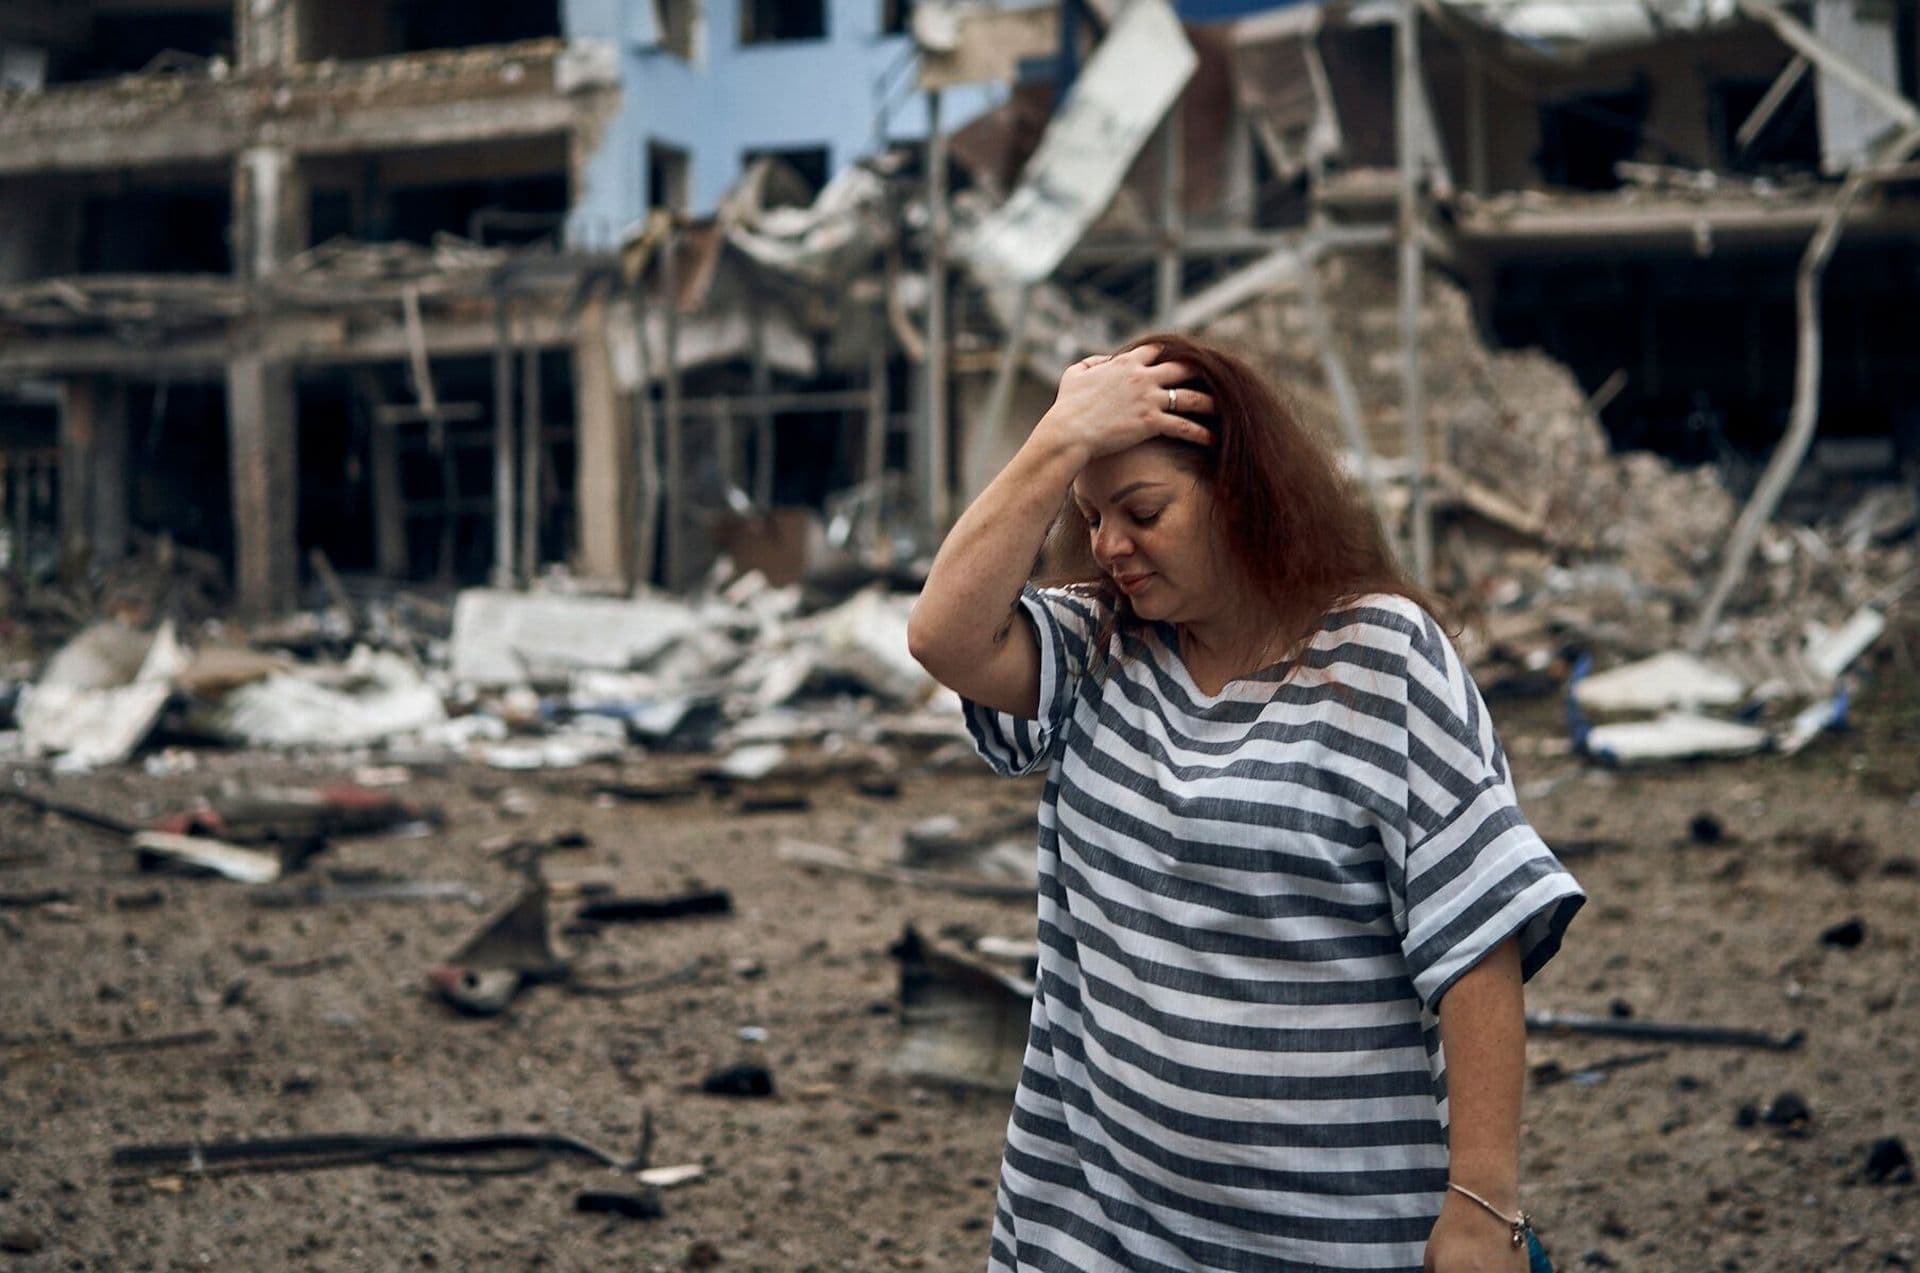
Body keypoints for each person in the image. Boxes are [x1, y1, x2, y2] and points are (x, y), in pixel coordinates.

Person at [906, 335, 1584, 1273]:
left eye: (1142, 510)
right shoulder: (1098, 649)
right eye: (1090, 516)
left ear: (1240, 493)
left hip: (1339, 1237)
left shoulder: (1382, 660)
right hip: (1093, 1235)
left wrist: (1481, 1205)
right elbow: (943, 633)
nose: (1109, 545)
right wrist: (1057, 438)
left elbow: (1477, 938)